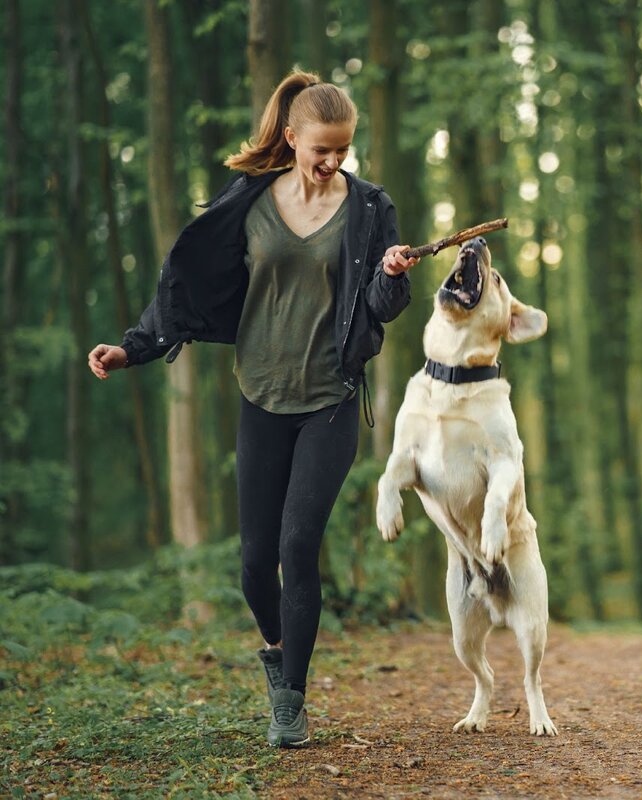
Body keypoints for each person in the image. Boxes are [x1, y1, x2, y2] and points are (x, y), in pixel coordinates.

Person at [87, 69, 420, 748]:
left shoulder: (368, 208)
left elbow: (383, 311)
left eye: (343, 151)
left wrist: (390, 276)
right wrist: (135, 347)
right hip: (262, 396)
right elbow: (188, 278)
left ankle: (290, 703)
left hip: (330, 397)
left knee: (299, 546)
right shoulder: (249, 203)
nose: (333, 163)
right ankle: (276, 648)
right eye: (321, 149)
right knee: (252, 562)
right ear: (292, 137)